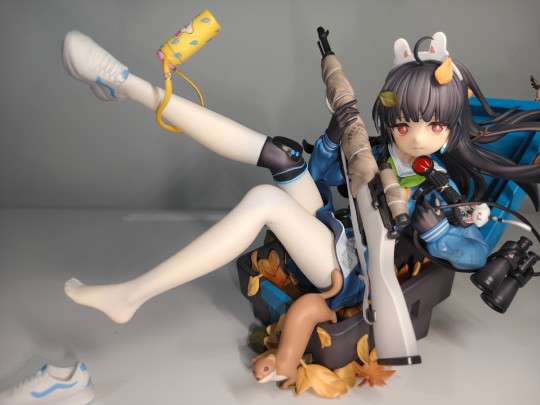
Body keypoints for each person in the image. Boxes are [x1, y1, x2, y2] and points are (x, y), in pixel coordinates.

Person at [61, 30, 540, 324]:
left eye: (434, 126)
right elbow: (320, 175)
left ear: (452, 127)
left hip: (357, 274)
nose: (416, 136)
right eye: (404, 122)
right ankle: (127, 85)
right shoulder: (374, 151)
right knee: (280, 154)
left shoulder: (440, 185)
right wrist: (334, 136)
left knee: (264, 201)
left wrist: (436, 230)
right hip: (337, 230)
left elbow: (475, 253)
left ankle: (131, 296)